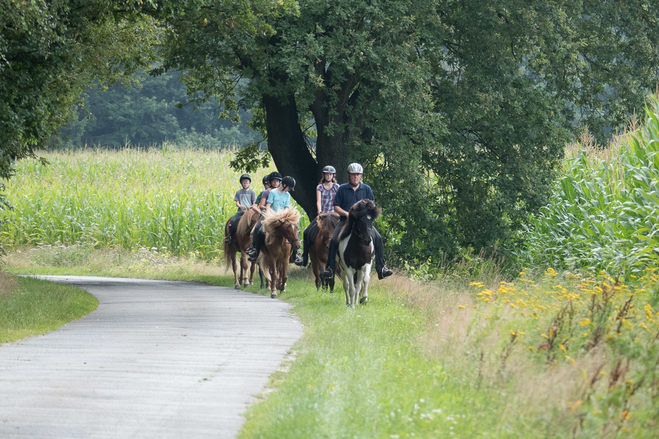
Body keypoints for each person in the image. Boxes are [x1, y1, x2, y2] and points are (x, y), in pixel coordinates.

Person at [321, 163, 393, 280]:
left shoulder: (366, 189)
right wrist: (346, 214)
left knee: (378, 238)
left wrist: (366, 216)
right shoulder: (342, 189)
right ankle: (330, 269)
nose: (355, 177)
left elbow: (372, 207)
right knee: (334, 240)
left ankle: (381, 268)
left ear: (361, 176)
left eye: (358, 175)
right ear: (348, 175)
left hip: (363, 223)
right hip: (346, 221)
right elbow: (336, 206)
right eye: (353, 175)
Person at [247, 175, 299, 262]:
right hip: (271, 216)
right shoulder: (273, 192)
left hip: (283, 217)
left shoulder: (287, 195)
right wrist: (270, 215)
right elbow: (268, 205)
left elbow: (286, 207)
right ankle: (255, 249)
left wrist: (284, 215)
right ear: (285, 185)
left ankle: (295, 253)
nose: (289, 190)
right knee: (258, 229)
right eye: (289, 188)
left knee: (294, 229)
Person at [295, 165, 340, 267]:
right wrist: (320, 212)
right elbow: (318, 202)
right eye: (326, 174)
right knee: (307, 232)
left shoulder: (338, 187)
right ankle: (305, 257)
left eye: (330, 174)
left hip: (334, 215)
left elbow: (338, 201)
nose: (328, 176)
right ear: (323, 175)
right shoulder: (319, 187)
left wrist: (337, 212)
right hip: (323, 215)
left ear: (333, 175)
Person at [224, 174, 257, 243]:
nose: (245, 184)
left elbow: (254, 202)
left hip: (250, 212)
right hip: (241, 211)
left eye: (247, 183)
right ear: (241, 183)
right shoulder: (239, 192)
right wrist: (240, 206)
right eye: (244, 183)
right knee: (232, 221)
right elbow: (237, 202)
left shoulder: (252, 192)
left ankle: (257, 239)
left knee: (257, 222)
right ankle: (230, 236)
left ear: (249, 183)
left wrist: (251, 207)